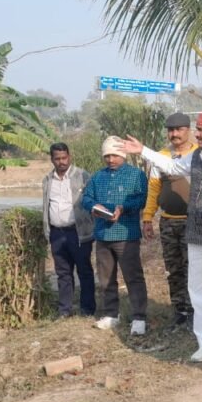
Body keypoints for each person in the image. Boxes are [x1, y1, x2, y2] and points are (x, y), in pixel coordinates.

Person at [118, 111, 202, 363]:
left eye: (201, 130)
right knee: (199, 291)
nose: (197, 134)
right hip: (195, 235)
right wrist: (143, 151)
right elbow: (170, 166)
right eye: (198, 129)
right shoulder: (195, 157)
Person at [82, 137, 150, 336]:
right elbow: (86, 197)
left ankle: (139, 317)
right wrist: (94, 207)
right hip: (103, 235)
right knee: (105, 278)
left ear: (123, 155)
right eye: (107, 156)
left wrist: (123, 207)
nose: (110, 159)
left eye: (114, 155)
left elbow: (142, 198)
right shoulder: (97, 177)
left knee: (133, 277)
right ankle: (111, 314)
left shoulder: (136, 175)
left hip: (126, 235)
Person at [142, 113, 198, 329]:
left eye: (179, 129)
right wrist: (148, 218)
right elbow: (154, 188)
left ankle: (195, 310)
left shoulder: (197, 154)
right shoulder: (161, 157)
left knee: (193, 268)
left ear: (188, 130)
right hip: (167, 222)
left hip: (192, 222)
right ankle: (179, 309)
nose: (174, 134)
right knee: (173, 268)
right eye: (171, 130)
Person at [42, 143, 96, 318]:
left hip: (78, 232)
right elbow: (46, 205)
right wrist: (47, 229)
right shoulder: (48, 180)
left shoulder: (82, 175)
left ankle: (87, 309)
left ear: (69, 157)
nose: (61, 162)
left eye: (64, 158)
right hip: (57, 233)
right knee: (63, 273)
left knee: (84, 270)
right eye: (57, 159)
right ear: (52, 159)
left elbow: (92, 202)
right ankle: (65, 310)